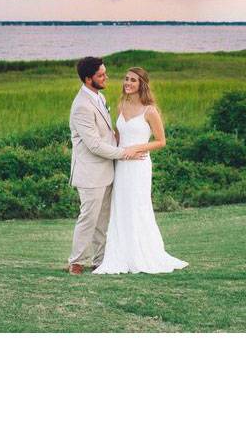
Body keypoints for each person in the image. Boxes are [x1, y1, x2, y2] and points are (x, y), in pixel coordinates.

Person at [93, 67, 188, 275]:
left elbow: (161, 142)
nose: (127, 83)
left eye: (133, 80)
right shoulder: (121, 105)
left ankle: (143, 253)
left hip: (139, 165)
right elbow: (118, 137)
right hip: (122, 165)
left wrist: (137, 148)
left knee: (138, 207)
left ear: (141, 84)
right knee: (121, 208)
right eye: (126, 79)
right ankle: (121, 254)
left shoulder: (150, 110)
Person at [67, 56, 147, 275]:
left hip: (107, 170)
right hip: (90, 172)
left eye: (105, 73)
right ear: (88, 78)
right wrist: (125, 153)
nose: (106, 78)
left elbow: (108, 134)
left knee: (103, 221)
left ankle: (100, 260)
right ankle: (76, 262)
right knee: (88, 219)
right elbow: (93, 145)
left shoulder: (99, 97)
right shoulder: (81, 106)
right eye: (101, 75)